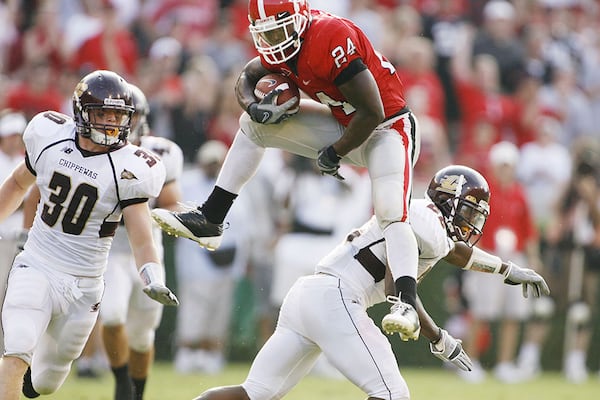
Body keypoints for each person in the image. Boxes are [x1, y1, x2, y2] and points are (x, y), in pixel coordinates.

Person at [152, 0, 423, 341]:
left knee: (390, 212)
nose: (275, 40)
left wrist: (334, 153)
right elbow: (248, 75)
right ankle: (211, 217)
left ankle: (406, 302)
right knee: (253, 126)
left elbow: (372, 110)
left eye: (279, 29)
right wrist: (254, 106)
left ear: (299, 18)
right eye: (267, 34)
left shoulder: (330, 35)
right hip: (345, 122)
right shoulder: (281, 47)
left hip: (387, 127)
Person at [190, 164, 550, 400]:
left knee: (253, 393)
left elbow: (453, 252)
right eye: (469, 211)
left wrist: (505, 269)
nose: (472, 223)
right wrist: (438, 337)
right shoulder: (426, 222)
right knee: (393, 395)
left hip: (309, 294)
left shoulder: (424, 220)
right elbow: (401, 285)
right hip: (337, 299)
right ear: (448, 201)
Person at [0, 70, 178, 400]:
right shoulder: (50, 136)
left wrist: (151, 275)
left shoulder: (131, 166)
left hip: (85, 283)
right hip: (38, 263)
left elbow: (141, 236)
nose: (111, 123)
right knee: (18, 343)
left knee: (49, 379)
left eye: (118, 115)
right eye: (103, 114)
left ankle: (33, 384)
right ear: (82, 113)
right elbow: (17, 184)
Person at [99, 83, 183, 399]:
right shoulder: (94, 152)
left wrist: (165, 218)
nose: (116, 125)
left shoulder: (163, 153)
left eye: (123, 117)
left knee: (141, 335)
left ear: (139, 119)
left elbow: (171, 202)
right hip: (109, 248)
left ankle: (138, 392)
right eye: (109, 116)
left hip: (148, 247)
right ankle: (121, 382)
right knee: (112, 315)